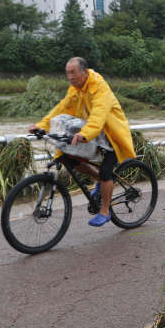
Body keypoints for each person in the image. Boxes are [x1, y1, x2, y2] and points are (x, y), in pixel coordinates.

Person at [29, 57, 136, 227]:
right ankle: (98, 180)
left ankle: (105, 211)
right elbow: (60, 109)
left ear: (85, 72)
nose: (70, 76)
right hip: (92, 133)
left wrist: (84, 134)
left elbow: (99, 114)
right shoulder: (75, 90)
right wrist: (41, 126)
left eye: (73, 72)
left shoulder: (100, 87)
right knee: (69, 158)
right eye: (67, 73)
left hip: (111, 134)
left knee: (106, 171)